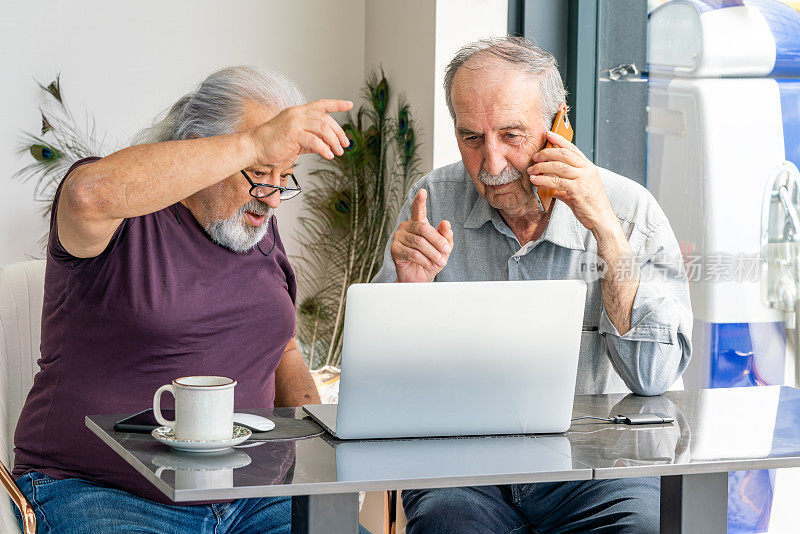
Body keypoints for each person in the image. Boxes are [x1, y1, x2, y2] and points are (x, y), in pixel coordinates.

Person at [12, 65, 353, 533]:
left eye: (284, 176)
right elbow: (86, 195)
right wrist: (255, 141)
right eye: (258, 172)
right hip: (100, 490)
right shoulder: (123, 215)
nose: (272, 198)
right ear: (199, 144)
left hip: (252, 497)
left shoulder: (255, 226)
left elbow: (282, 350)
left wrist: (321, 456)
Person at [372, 36, 692, 533]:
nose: (492, 164)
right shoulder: (431, 201)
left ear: (558, 123)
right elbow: (380, 387)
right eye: (471, 138)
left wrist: (607, 234)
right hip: (464, 473)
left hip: (602, 475)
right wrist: (408, 294)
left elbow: (654, 376)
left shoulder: (629, 212)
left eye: (511, 135)